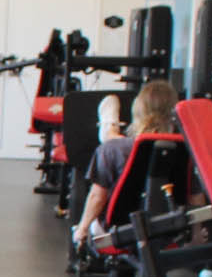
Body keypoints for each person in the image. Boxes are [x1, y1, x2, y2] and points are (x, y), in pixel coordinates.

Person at [73, 77, 178, 248]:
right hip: (171, 228)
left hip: (119, 227)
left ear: (138, 111)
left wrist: (81, 230)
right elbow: (195, 198)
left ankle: (109, 127)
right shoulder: (184, 147)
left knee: (111, 144)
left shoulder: (113, 149)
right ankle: (109, 130)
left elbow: (97, 197)